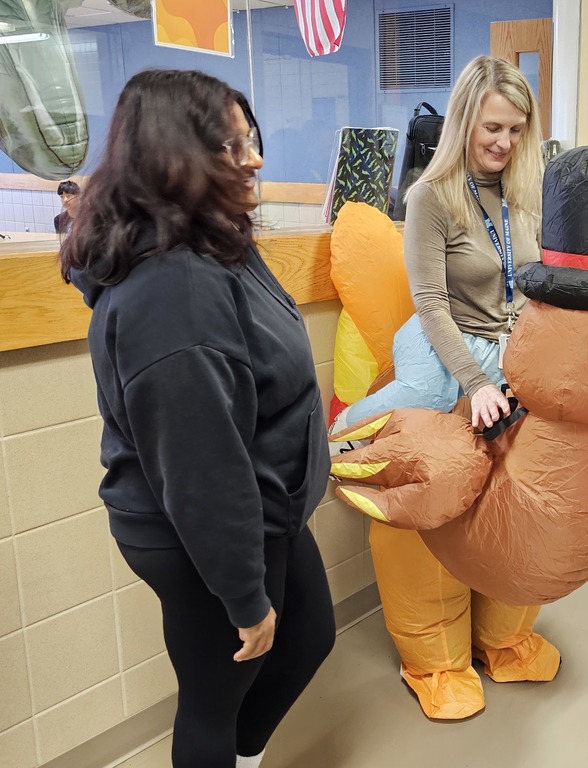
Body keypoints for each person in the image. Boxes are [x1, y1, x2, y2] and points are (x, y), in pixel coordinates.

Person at [59, 70, 335, 768]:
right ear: (172, 158)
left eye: (252, 141)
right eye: (232, 146)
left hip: (260, 502)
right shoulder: (171, 288)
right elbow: (201, 466)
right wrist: (244, 595)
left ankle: (245, 759)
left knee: (310, 637)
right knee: (216, 698)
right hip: (199, 529)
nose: (257, 160)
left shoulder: (219, 243)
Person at [337, 55, 559, 721]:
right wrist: (475, 382)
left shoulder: (524, 193)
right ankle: (338, 432)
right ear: (465, 119)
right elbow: (431, 305)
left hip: (504, 343)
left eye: (518, 130)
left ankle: (504, 634)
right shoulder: (430, 198)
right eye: (494, 127)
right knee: (428, 398)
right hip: (443, 342)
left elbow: (533, 282)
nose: (505, 143)